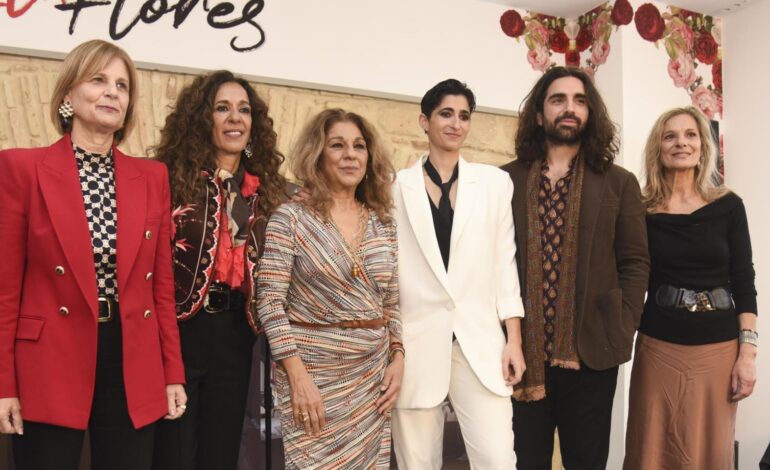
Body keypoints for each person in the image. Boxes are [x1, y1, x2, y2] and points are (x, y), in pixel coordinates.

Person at [0, 39, 186, 470]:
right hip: (48, 360)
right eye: (98, 80)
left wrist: (172, 372)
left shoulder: (152, 176)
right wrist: (4, 383)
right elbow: (5, 290)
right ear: (68, 94)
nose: (112, 92)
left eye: (122, 86)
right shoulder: (20, 169)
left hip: (131, 358)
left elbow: (161, 290)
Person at [500, 66, 649, 469]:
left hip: (591, 354)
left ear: (590, 114)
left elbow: (635, 262)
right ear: (538, 114)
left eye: (580, 100)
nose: (570, 108)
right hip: (520, 357)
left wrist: (623, 322)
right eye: (558, 100)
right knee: (523, 462)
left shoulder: (618, 182)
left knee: (586, 462)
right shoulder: (504, 181)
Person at [151, 70, 287, 470]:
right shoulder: (168, 179)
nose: (235, 118)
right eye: (222, 108)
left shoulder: (267, 192)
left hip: (235, 334)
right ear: (201, 119)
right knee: (172, 454)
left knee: (221, 455)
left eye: (243, 110)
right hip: (180, 333)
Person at [391, 79, 525, 469]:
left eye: (464, 115)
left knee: (499, 460)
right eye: (446, 114)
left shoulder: (496, 184)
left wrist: (513, 339)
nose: (456, 123)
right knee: (418, 464)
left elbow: (505, 263)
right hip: (416, 344)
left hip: (481, 344)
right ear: (424, 121)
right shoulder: (394, 188)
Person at [258, 109, 402, 469]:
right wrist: (297, 376)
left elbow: (393, 303)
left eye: (359, 146)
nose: (350, 154)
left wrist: (399, 357)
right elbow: (270, 302)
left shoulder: (383, 222)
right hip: (312, 377)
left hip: (371, 379)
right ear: (317, 154)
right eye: (337, 145)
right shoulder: (289, 218)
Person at [623, 106, 757, 469]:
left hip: (718, 349)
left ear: (703, 146)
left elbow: (744, 282)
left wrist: (747, 356)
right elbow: (630, 275)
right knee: (651, 446)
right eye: (671, 136)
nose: (681, 142)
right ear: (658, 148)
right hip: (658, 347)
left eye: (690, 135)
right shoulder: (641, 209)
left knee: (710, 449)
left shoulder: (728, 206)